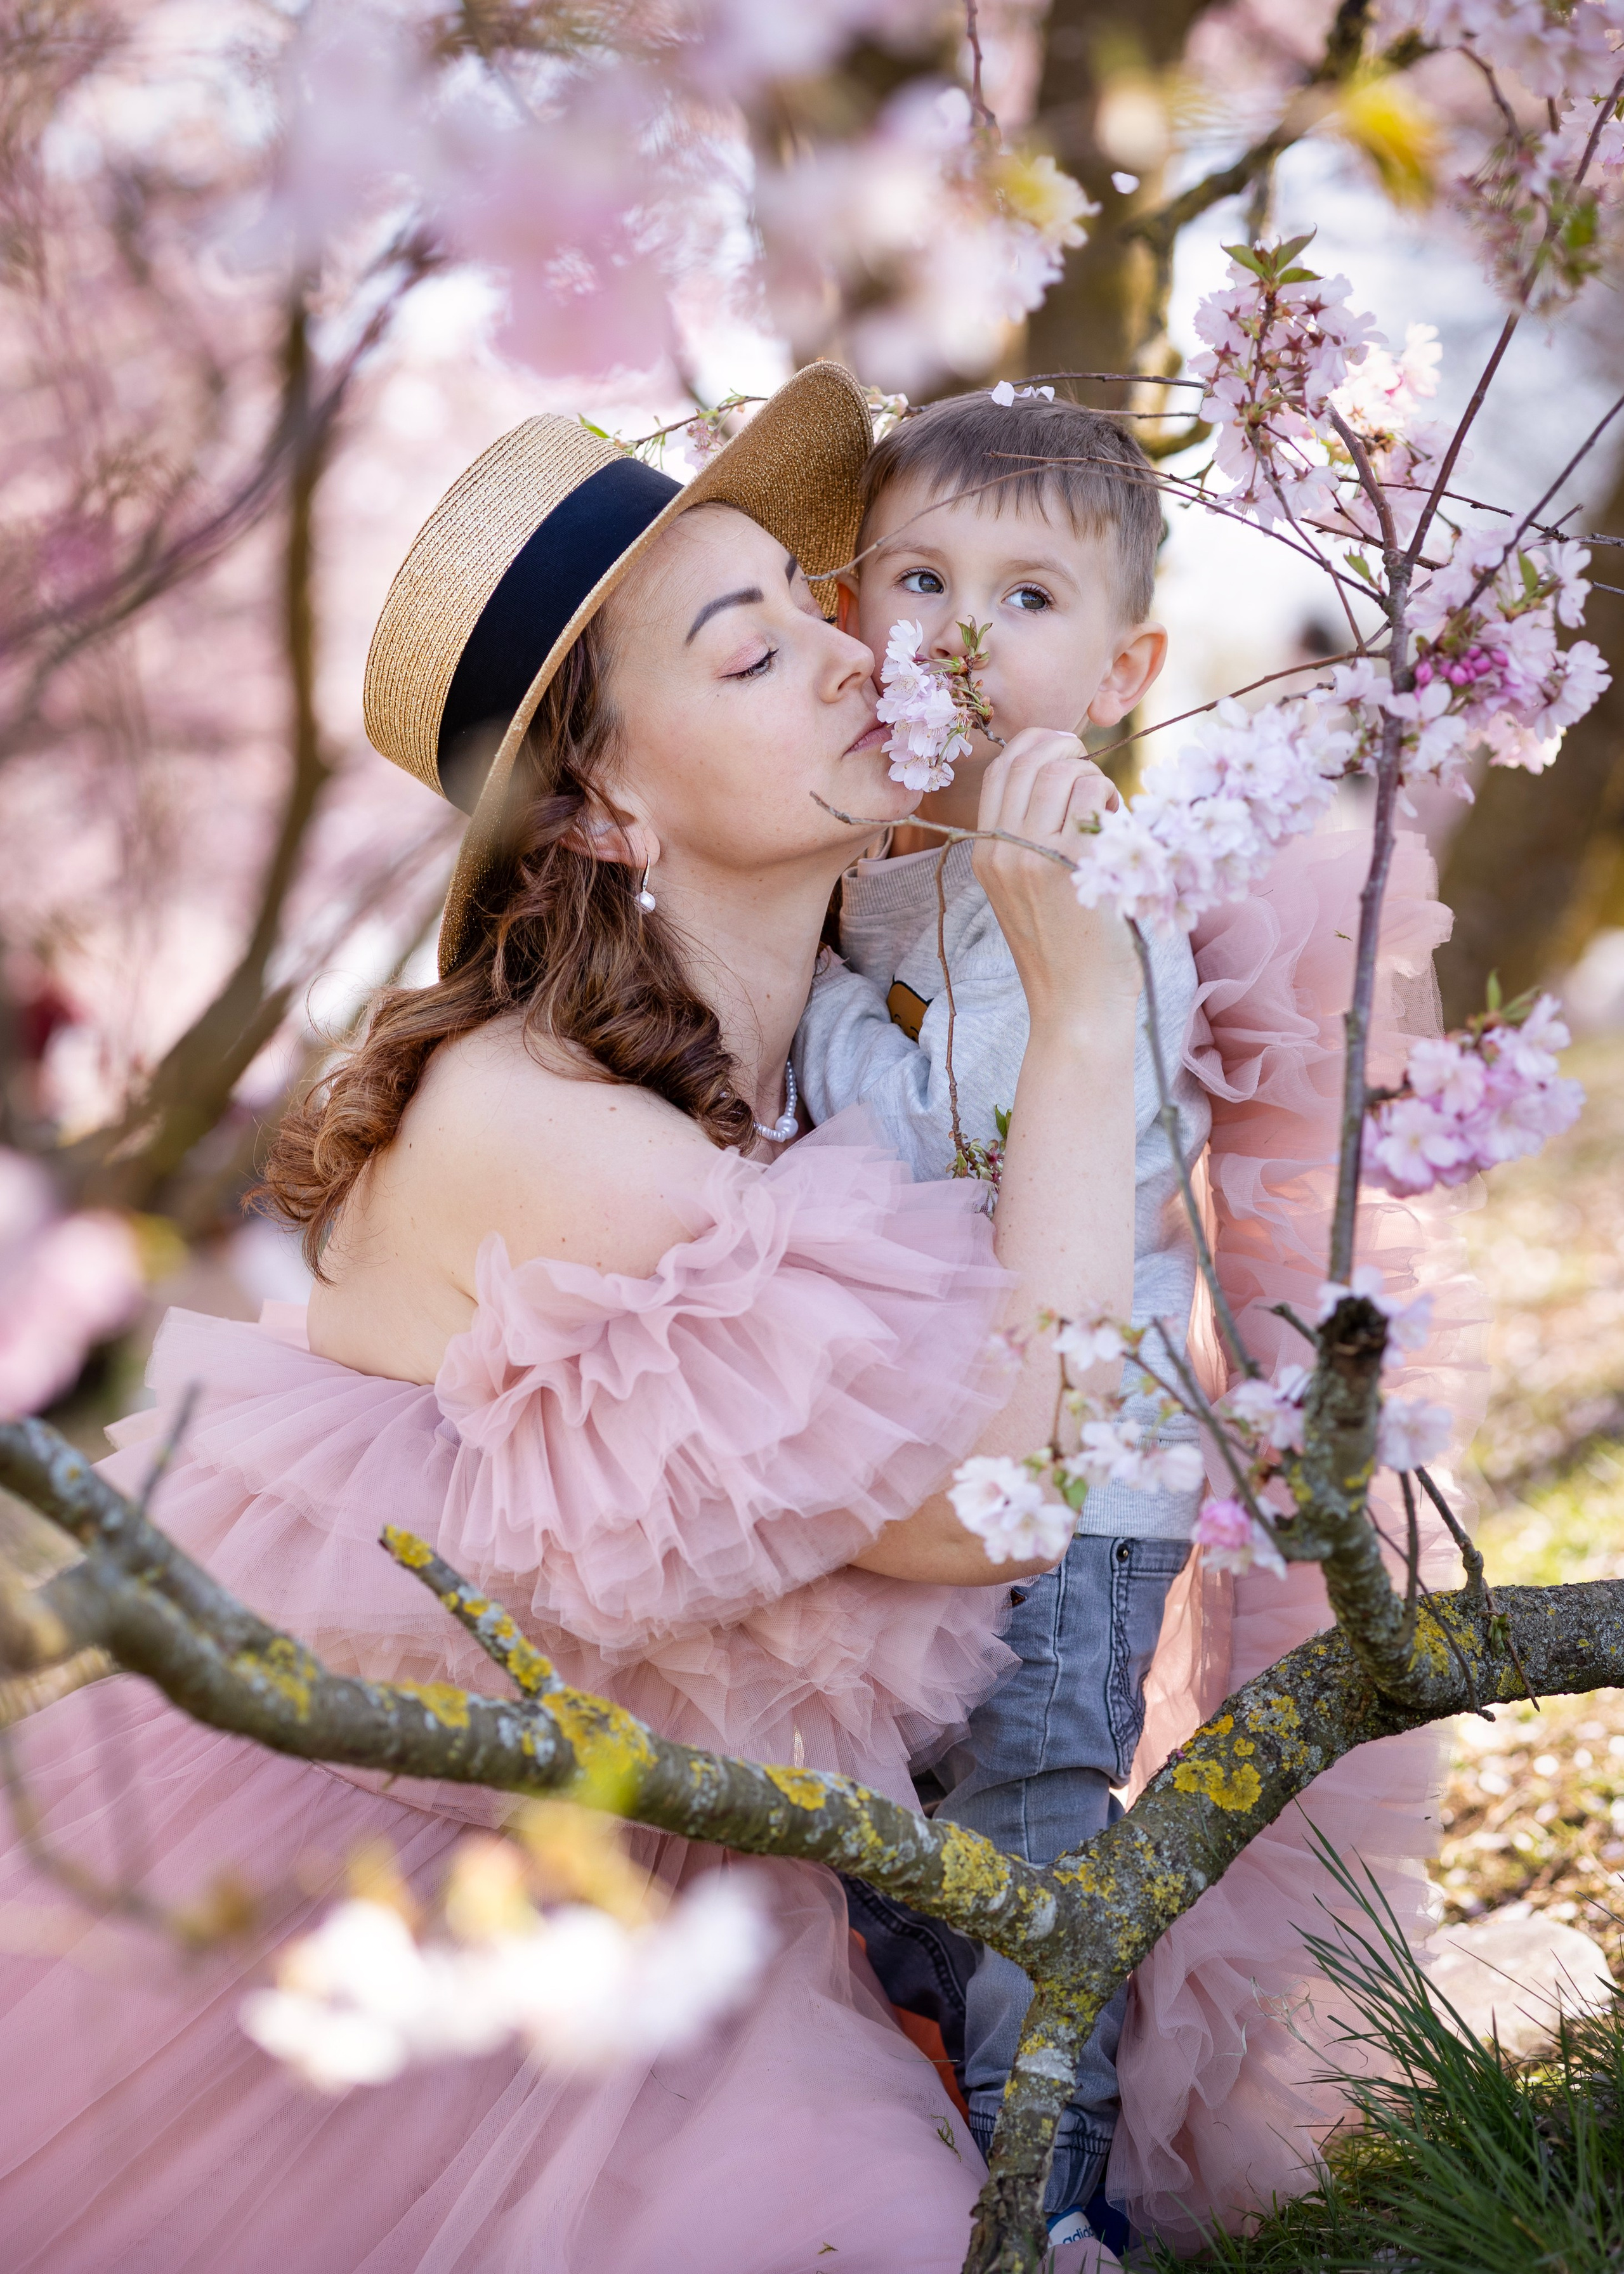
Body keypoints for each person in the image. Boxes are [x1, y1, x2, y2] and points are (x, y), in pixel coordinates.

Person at [0, 362, 1143, 2274]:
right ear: (606, 799)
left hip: (671, 1903)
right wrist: (1090, 1022)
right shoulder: (566, 1144)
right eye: (750, 650)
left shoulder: (782, 1080)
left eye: (812, 603)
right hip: (402, 1957)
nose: (855, 653)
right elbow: (985, 1510)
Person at [794, 390, 1211, 2240]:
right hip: (898, 1488)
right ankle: (937, 2164)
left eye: (1028, 597)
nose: (961, 633)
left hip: (1071, 1494)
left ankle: (1055, 2210)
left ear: (1124, 668)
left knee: (1030, 1835)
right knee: (886, 1869)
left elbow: (1042, 1150)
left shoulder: (1108, 895)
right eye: (923, 579)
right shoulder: (854, 891)